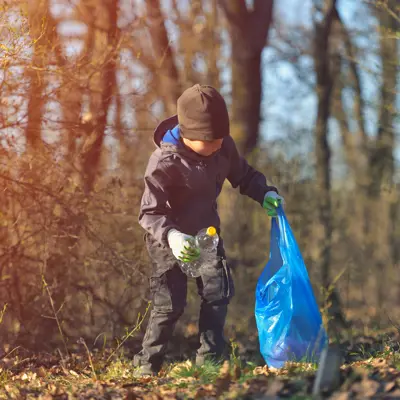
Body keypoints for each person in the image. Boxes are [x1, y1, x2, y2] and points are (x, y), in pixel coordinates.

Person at [133, 84, 284, 376]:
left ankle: (210, 358)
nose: (217, 145)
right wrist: (173, 236)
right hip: (168, 241)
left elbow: (244, 175)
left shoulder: (223, 146)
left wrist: (264, 193)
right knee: (169, 306)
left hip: (207, 237)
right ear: (188, 136)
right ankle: (147, 364)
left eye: (220, 138)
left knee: (218, 293)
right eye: (210, 141)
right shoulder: (164, 161)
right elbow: (149, 212)